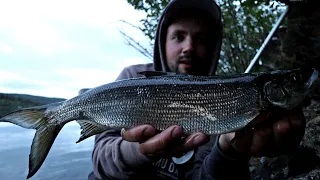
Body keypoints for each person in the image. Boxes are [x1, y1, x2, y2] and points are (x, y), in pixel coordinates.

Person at [87, 0, 306, 179]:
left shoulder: (223, 98)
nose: (189, 47)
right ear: (162, 41)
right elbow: (101, 164)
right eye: (179, 36)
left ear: (212, 47)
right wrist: (139, 150)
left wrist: (228, 153)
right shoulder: (131, 78)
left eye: (200, 39)